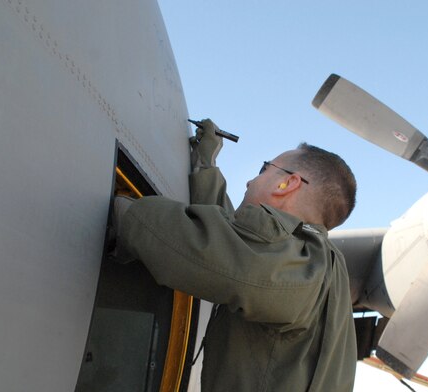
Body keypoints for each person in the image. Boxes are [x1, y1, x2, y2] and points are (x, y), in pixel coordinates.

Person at [114, 119, 358, 391]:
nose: (250, 180)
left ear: (287, 184)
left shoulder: (307, 261)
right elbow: (233, 240)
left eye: (264, 169)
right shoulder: (312, 262)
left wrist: (123, 211)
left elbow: (215, 254)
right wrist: (206, 161)